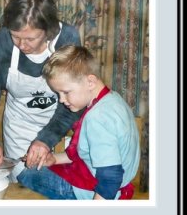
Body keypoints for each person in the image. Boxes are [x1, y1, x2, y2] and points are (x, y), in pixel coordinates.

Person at [0, 0, 82, 195]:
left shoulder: (67, 40)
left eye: (30, 38)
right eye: (15, 36)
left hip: (63, 130)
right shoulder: (2, 42)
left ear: (48, 30)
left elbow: (74, 103)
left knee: (67, 190)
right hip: (20, 133)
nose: (22, 45)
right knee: (29, 187)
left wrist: (46, 140)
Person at [31, 44, 139, 199]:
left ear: (90, 82)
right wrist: (54, 159)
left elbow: (110, 179)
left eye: (66, 92)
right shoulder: (112, 99)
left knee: (27, 174)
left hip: (98, 192)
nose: (61, 100)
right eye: (58, 93)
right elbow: (89, 151)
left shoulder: (98, 118)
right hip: (115, 187)